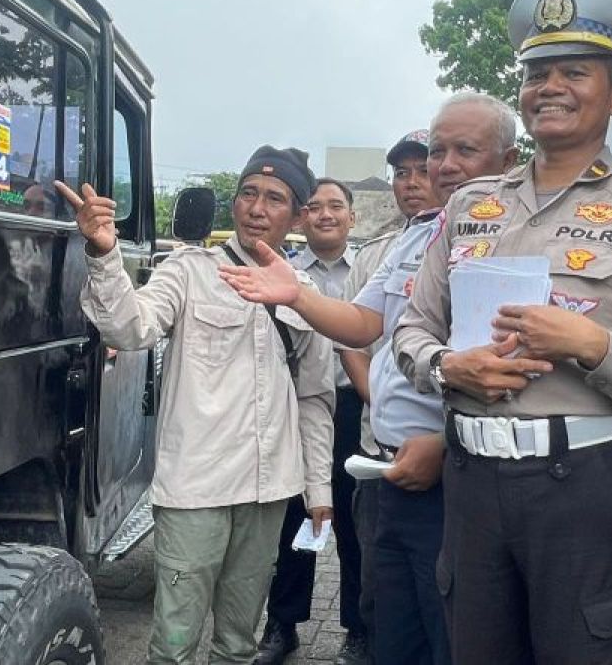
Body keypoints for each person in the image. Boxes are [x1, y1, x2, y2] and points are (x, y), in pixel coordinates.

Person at [392, 0, 612, 664]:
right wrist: (449, 367)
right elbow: (411, 330)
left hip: (589, 487)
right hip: (472, 481)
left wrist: (594, 345)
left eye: (575, 72)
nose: (550, 87)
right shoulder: (470, 205)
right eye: (537, 73)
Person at [220, 94, 520, 665]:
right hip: (388, 469)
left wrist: (446, 443)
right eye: (437, 152)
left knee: (453, 634)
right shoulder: (419, 235)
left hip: (457, 473)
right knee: (391, 629)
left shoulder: (516, 235)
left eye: (464, 150)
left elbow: (514, 367)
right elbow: (362, 323)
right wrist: (297, 295)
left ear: (507, 161)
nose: (444, 166)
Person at [54, 145, 335, 665]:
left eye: (275, 198)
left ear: (297, 216)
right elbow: (130, 328)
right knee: (174, 643)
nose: (257, 208)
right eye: (248, 193)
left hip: (269, 489)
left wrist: (318, 488)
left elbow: (314, 399)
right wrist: (103, 253)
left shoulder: (305, 292)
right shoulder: (188, 270)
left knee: (239, 642)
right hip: (195, 488)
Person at [257, 177, 366, 665]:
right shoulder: (284, 273)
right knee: (295, 520)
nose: (325, 214)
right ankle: (282, 625)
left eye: (335, 206)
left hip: (357, 408)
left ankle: (359, 630)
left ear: (351, 217)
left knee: (355, 525)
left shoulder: (370, 270)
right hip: (299, 408)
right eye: (315, 207)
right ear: (302, 218)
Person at [339, 129, 433, 655]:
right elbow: (352, 335)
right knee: (380, 582)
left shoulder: (474, 243)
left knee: (442, 598)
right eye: (401, 173)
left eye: (423, 170)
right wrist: (379, 399)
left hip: (447, 452)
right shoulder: (378, 252)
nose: (411, 182)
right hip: (380, 449)